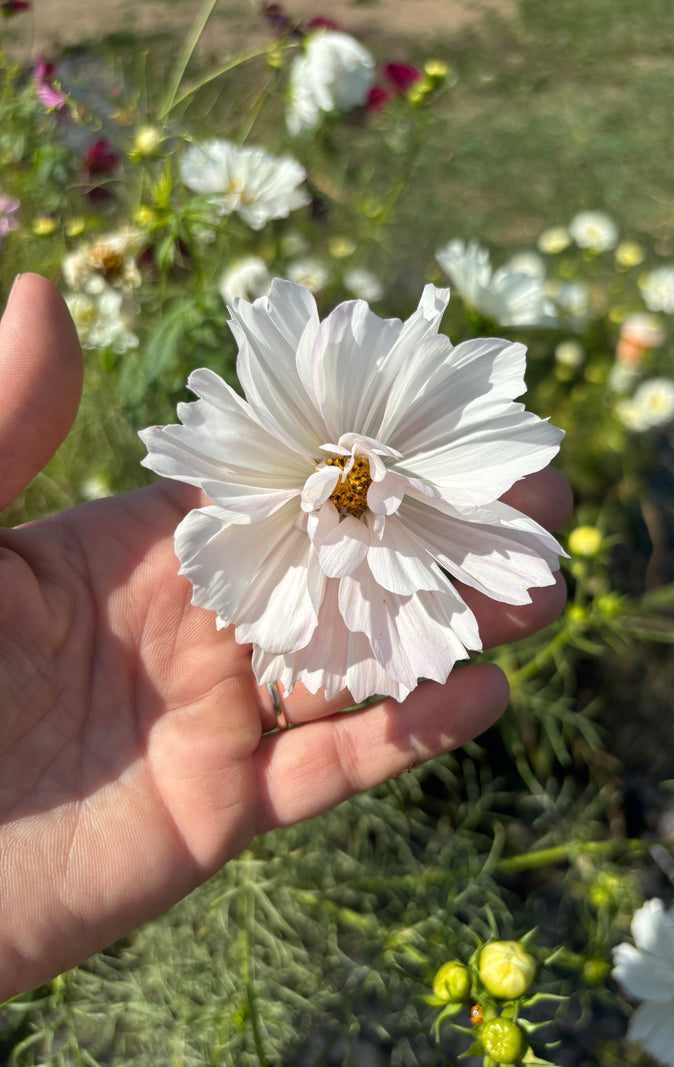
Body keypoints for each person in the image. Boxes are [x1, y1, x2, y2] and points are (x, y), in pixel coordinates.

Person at [0, 273, 572, 1001]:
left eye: (354, 487)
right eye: (347, 486)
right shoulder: (295, 505)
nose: (351, 488)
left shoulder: (365, 493)